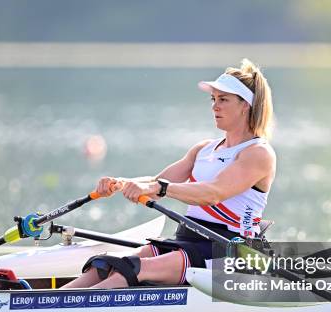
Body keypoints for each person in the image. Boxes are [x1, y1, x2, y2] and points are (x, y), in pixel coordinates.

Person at [62, 59, 276, 289]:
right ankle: (45, 304)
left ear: (246, 105)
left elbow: (213, 193)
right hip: (187, 240)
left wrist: (160, 188)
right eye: (213, 99)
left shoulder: (258, 153)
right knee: (104, 266)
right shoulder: (203, 149)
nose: (214, 106)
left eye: (223, 100)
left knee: (129, 272)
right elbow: (156, 184)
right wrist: (121, 184)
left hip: (228, 250)